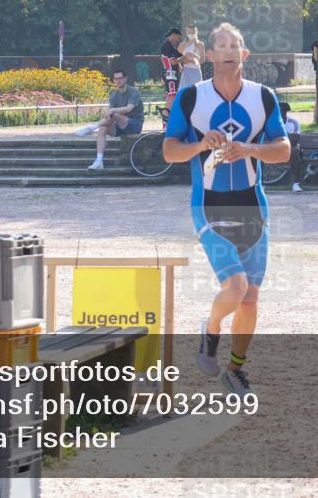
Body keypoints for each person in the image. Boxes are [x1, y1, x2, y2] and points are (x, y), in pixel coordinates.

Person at [162, 22, 290, 397]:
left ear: (244, 54)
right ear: (210, 55)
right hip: (209, 205)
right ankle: (211, 329)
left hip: (252, 204)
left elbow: (283, 150)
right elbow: (169, 151)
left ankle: (234, 370)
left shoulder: (263, 97)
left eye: (235, 45)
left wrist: (251, 149)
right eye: (221, 45)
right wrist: (201, 145)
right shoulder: (191, 98)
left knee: (250, 297)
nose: (228, 50)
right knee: (234, 287)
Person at [80, 70, 144, 170]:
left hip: (134, 125)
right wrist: (111, 113)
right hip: (119, 126)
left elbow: (128, 109)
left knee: (114, 113)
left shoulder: (134, 92)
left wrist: (113, 110)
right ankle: (99, 161)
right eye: (116, 79)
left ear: (125, 79)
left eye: (120, 78)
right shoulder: (113, 95)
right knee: (102, 129)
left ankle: (92, 127)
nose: (118, 81)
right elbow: (109, 115)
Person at [160, 28, 184, 107]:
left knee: (170, 94)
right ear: (173, 35)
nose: (178, 40)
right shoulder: (167, 46)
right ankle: (169, 112)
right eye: (178, 37)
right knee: (172, 95)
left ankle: (167, 112)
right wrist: (184, 57)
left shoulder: (170, 45)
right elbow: (173, 61)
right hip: (170, 74)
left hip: (171, 74)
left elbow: (175, 58)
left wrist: (179, 65)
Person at [179, 24, 205, 89]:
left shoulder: (200, 44)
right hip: (186, 71)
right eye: (189, 33)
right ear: (187, 33)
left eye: (193, 33)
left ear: (196, 33)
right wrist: (190, 42)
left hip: (196, 71)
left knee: (197, 91)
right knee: (185, 92)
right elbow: (178, 55)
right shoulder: (183, 44)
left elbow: (202, 61)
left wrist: (194, 55)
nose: (191, 34)